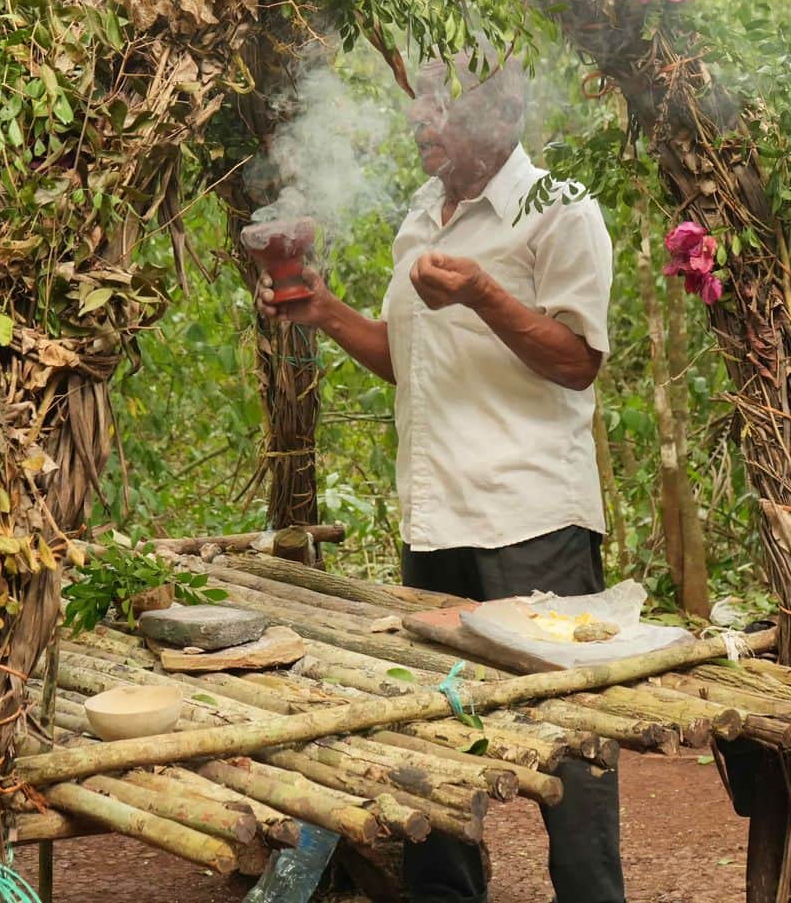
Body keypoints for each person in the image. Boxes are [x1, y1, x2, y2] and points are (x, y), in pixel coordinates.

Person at [258, 52, 621, 903]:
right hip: (435, 523)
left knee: (570, 743)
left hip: (533, 524)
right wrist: (326, 312)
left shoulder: (561, 209)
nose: (419, 119)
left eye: (439, 105)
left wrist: (485, 293)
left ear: (503, 116)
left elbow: (578, 360)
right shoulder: (422, 215)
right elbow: (409, 360)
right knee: (436, 734)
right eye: (417, 102)